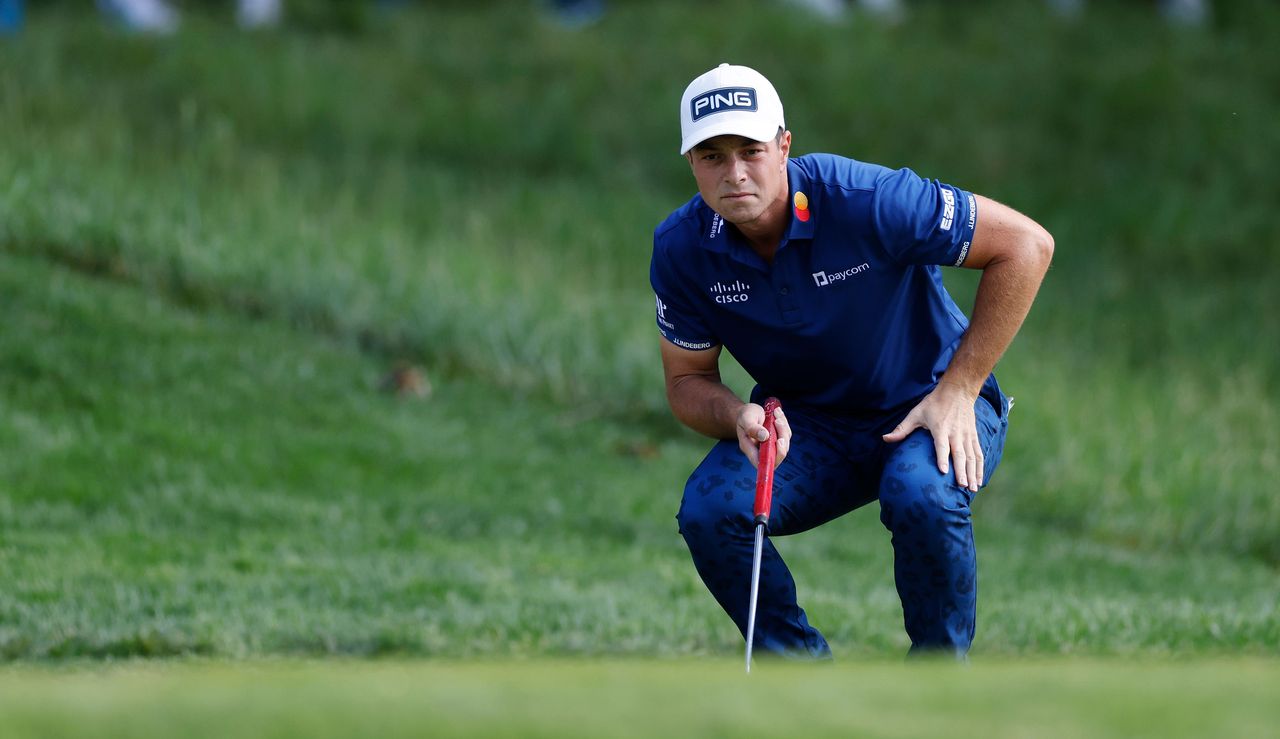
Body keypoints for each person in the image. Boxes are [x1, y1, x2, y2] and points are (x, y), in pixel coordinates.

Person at [651, 63, 1053, 659]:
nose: (734, 173)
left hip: (931, 401)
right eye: (712, 156)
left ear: (784, 145)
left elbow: (1025, 245)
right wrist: (737, 415)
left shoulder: (867, 199)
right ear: (691, 162)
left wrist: (961, 388)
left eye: (751, 151)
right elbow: (687, 381)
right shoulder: (682, 248)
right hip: (809, 428)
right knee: (713, 510)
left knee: (921, 494)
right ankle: (804, 686)